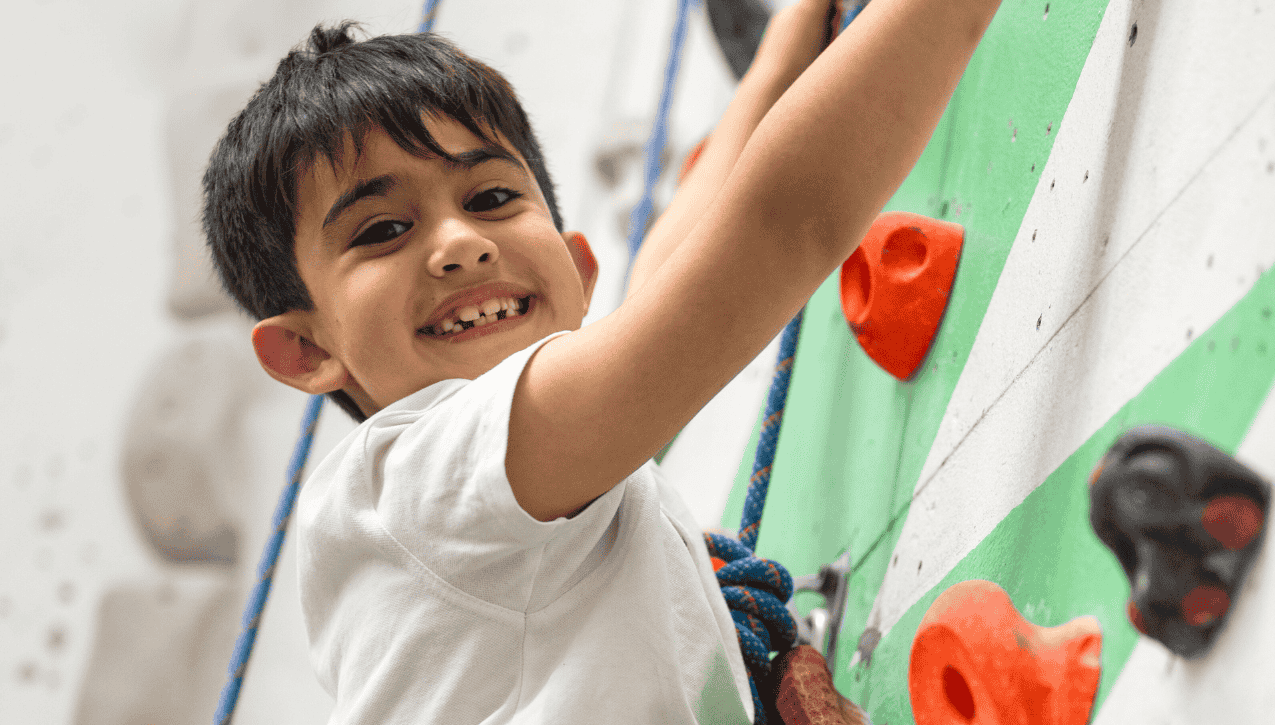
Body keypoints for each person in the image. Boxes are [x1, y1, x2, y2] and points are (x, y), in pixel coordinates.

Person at [202, 0, 1000, 721]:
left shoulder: (518, 488)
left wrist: (780, 60)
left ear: (579, 272)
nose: (459, 244)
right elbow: (777, 227)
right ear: (306, 349)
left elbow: (672, 268)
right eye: (381, 230)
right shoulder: (417, 479)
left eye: (490, 198)